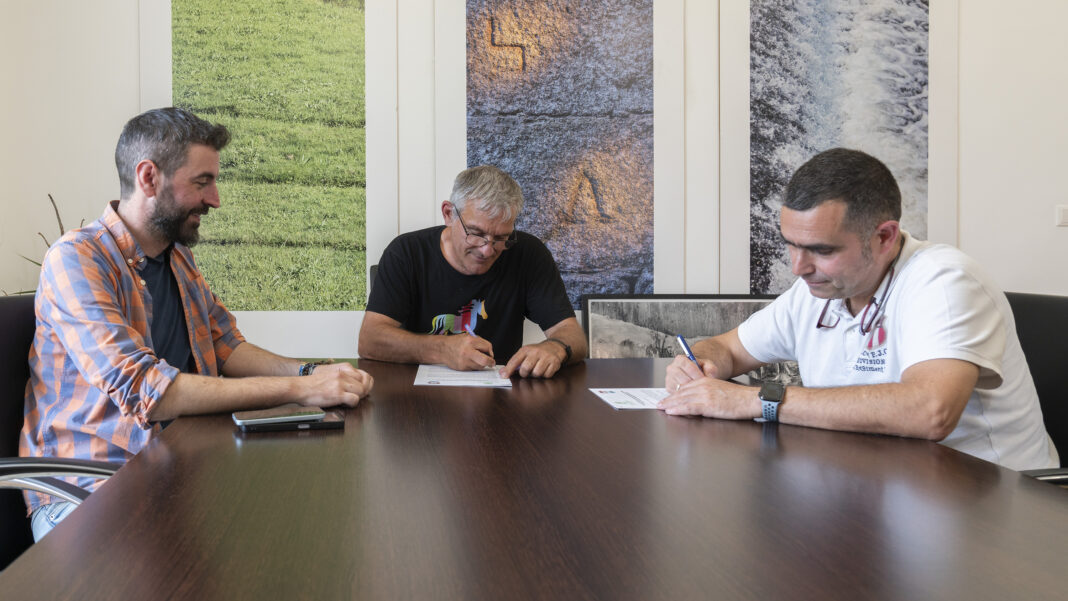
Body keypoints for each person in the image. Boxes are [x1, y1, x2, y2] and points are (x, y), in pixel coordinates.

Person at [20, 107, 374, 540]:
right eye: (202, 182)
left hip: (174, 470)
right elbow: (147, 390)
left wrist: (309, 372)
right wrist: (300, 390)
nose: (215, 199)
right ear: (149, 178)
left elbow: (227, 346)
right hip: (89, 492)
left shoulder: (178, 258)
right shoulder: (76, 259)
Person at [659, 148, 1058, 470]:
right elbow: (726, 348)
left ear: (884, 237)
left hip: (992, 506)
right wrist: (700, 365)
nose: (799, 267)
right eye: (792, 245)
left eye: (822, 250)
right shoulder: (817, 290)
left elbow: (930, 411)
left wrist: (752, 400)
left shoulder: (945, 281)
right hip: (876, 485)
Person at [359, 165, 586, 378]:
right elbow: (370, 340)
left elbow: (571, 333)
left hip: (500, 390)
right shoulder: (407, 253)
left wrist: (556, 348)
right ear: (448, 214)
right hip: (417, 394)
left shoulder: (528, 253)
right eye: (476, 233)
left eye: (501, 238)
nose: (487, 250)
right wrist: (442, 349)